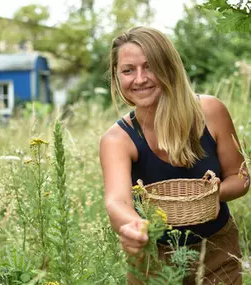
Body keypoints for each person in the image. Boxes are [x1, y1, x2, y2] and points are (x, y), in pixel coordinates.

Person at [100, 26, 250, 285]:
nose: (140, 79)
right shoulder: (117, 138)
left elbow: (240, 176)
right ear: (117, 77)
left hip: (216, 250)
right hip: (153, 260)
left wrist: (217, 194)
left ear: (169, 67)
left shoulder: (210, 112)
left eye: (150, 66)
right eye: (128, 70)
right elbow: (117, 202)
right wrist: (134, 226)